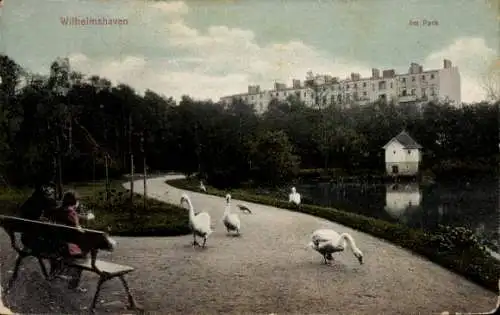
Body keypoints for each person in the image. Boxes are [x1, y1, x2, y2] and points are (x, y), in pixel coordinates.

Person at [45, 190, 88, 291]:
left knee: (61, 246)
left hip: (54, 247)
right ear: (75, 202)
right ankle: (73, 285)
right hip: (67, 249)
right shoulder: (72, 214)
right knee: (83, 255)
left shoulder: (55, 211)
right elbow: (79, 232)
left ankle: (54, 273)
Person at [19, 181, 58, 251]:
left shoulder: (35, 197)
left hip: (30, 222)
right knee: (50, 229)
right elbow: (50, 208)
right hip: (31, 223)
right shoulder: (40, 198)